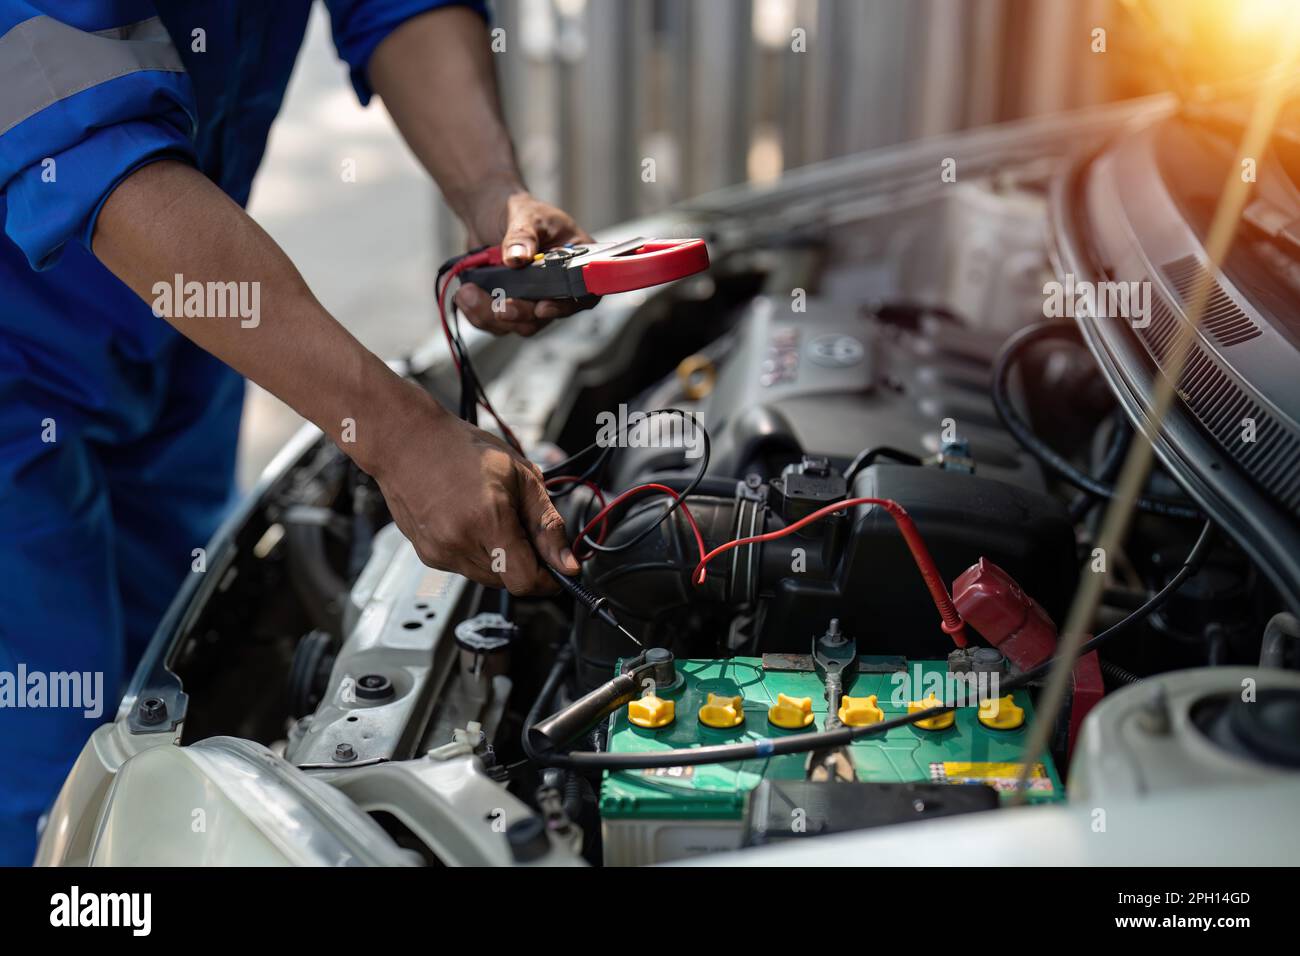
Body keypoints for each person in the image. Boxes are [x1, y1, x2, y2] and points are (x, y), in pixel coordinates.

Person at [0, 1, 590, 864]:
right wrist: (399, 434)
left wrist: (490, 190)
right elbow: (76, 125)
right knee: (57, 790)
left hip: (189, 322)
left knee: (173, 708)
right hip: (24, 359)